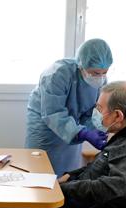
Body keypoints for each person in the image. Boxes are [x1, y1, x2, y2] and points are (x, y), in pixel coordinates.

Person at [25, 38, 113, 177]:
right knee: (41, 174)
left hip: (73, 128)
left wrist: (95, 128)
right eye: (96, 73)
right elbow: (53, 113)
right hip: (45, 127)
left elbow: (93, 111)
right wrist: (83, 133)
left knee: (68, 173)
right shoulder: (56, 74)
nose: (101, 77)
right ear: (82, 65)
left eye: (105, 72)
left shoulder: (100, 80)